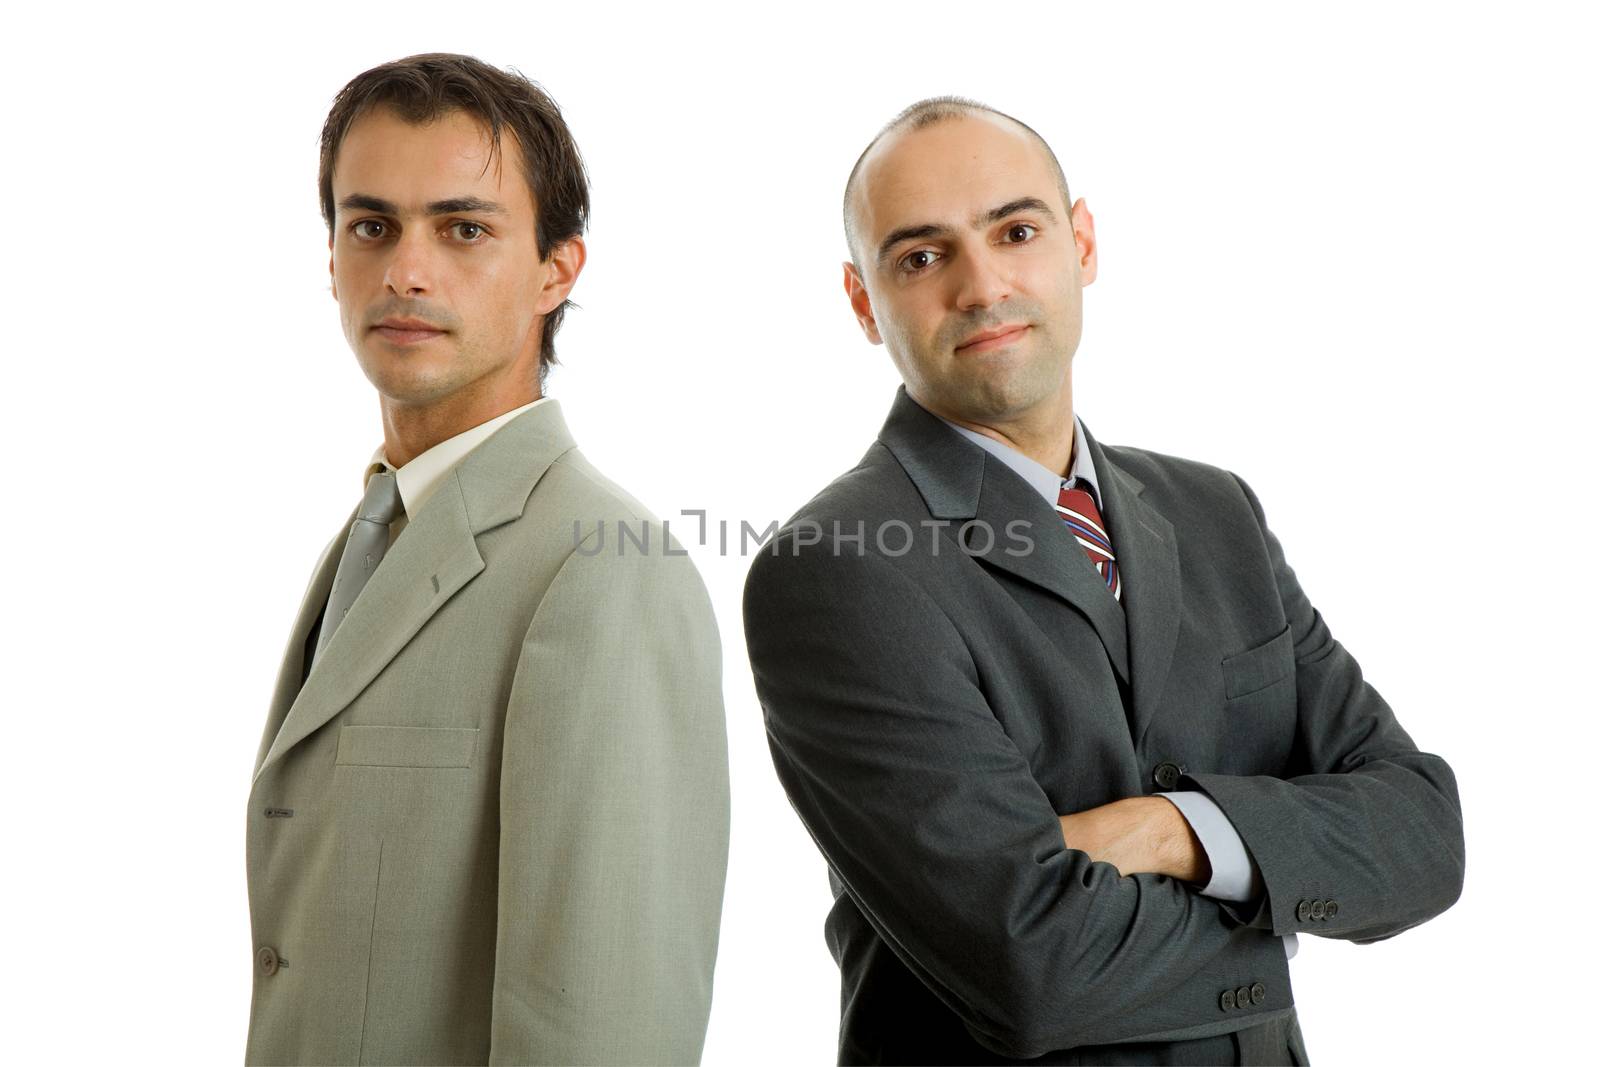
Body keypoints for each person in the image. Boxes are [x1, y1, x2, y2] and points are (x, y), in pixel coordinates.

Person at [742, 97, 1464, 1065]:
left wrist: (1174, 829)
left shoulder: (1216, 513)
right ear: (863, 301)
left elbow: (1422, 833)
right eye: (921, 256)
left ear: (1081, 241)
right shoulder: (836, 567)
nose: (982, 283)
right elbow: (1030, 965)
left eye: (1016, 230)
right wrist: (1280, 891)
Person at [245, 53, 729, 1066]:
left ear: (557, 269)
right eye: (370, 225)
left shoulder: (603, 569)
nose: (405, 271)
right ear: (331, 257)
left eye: (463, 228)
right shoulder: (373, 531)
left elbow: (605, 1020)